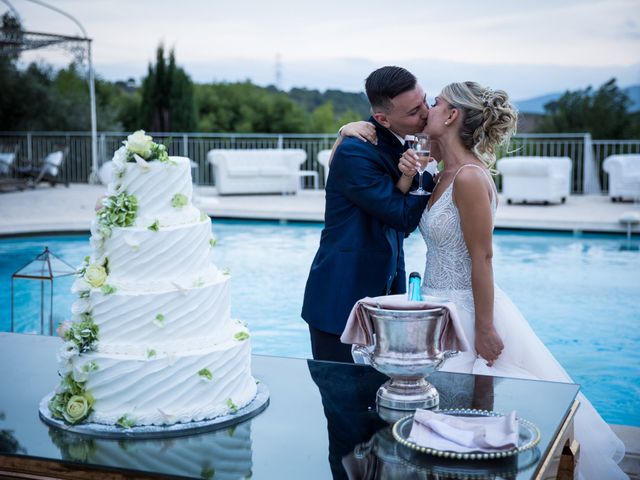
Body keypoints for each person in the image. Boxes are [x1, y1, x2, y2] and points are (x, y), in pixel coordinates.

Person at [340, 81, 626, 479]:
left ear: (453, 115)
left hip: (466, 311)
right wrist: (350, 128)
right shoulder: (441, 171)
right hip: (434, 309)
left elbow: (483, 257)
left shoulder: (470, 177)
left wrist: (486, 328)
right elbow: (396, 199)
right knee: (436, 425)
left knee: (468, 422)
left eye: (435, 102)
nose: (428, 109)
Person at [301, 66, 435, 363]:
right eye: (414, 111)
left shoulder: (402, 142)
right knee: (344, 403)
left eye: (425, 101)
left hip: (386, 301)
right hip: (341, 304)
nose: (426, 113)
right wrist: (429, 172)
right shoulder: (357, 151)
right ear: (382, 119)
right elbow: (401, 218)